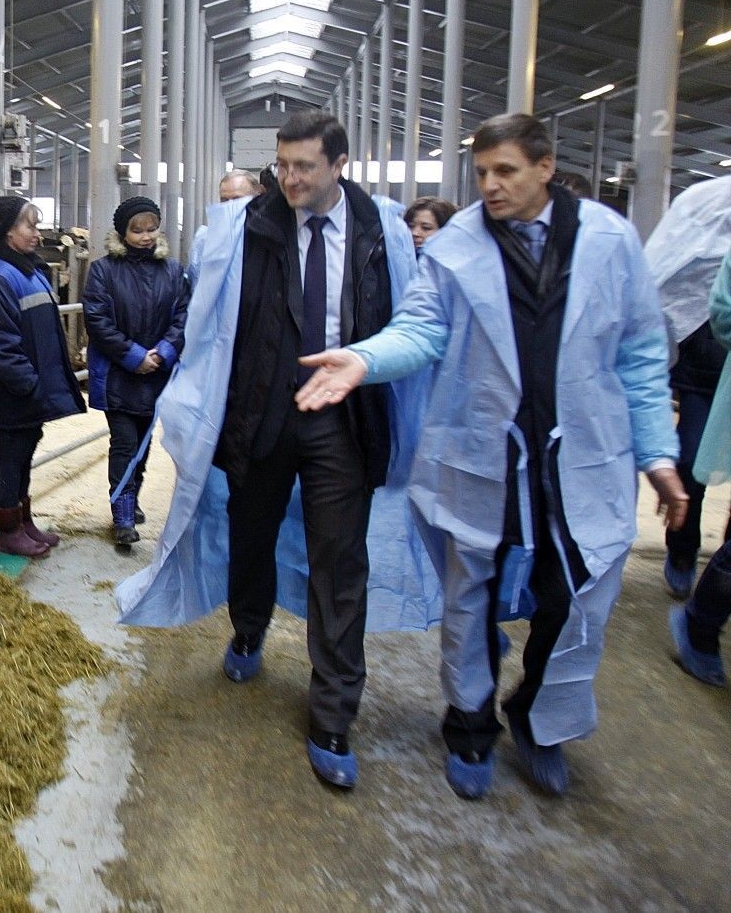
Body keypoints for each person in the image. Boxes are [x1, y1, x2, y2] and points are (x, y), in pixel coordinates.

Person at [297, 113, 689, 800]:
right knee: (469, 592)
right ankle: (470, 725)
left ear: (545, 166)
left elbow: (641, 352)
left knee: (571, 598)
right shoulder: (456, 246)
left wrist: (658, 452)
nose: (490, 186)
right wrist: (364, 358)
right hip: (482, 451)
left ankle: (539, 719)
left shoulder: (609, 240)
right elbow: (420, 328)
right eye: (481, 173)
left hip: (578, 456)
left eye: (504, 171)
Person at [118, 109, 437, 792]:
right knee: (251, 533)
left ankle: (332, 715)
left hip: (341, 417)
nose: (289, 179)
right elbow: (210, 322)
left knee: (339, 558)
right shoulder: (248, 227)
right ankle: (249, 627)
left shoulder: (381, 230)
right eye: (283, 166)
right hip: (261, 412)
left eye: (305, 168)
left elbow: (409, 320)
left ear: (339, 164)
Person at [0, 195, 85, 557]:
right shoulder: (0, 278)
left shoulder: (27, 271)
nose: (36, 234)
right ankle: (7, 532)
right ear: (8, 232)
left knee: (24, 456)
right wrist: (30, 385)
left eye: (36, 226)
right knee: (11, 457)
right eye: (29, 226)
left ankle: (23, 522)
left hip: (30, 391)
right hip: (15, 392)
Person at [83, 196, 190, 547]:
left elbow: (183, 315)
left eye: (151, 228)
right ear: (122, 231)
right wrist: (133, 355)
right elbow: (97, 320)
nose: (145, 236)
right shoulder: (103, 270)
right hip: (118, 374)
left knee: (142, 446)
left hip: (156, 374)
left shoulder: (173, 271)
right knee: (125, 443)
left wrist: (165, 351)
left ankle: (132, 498)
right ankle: (123, 515)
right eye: (137, 229)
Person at [645, 172, 731, 597]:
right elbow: (664, 266)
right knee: (692, 460)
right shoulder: (705, 198)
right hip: (704, 365)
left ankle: (723, 570)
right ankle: (682, 548)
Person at [672, 246, 731, 687]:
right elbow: (721, 316)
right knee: (691, 466)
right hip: (700, 376)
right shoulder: (699, 232)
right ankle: (683, 551)